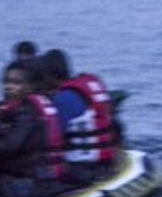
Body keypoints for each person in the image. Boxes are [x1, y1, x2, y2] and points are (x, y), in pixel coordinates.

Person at [38, 49, 122, 185]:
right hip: (104, 163)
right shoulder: (87, 87)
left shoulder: (63, 99)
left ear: (48, 76)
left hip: (81, 169)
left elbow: (51, 137)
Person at [0, 59, 67, 197]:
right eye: (6, 82)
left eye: (16, 83)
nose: (9, 87)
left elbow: (7, 147)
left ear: (30, 87)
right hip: (37, 178)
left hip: (32, 183)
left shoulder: (27, 114)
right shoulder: (16, 110)